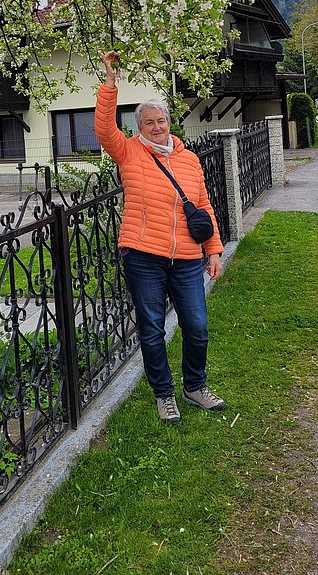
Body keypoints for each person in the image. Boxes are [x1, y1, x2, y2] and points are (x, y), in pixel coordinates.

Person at [94, 51, 226, 425]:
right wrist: (110, 83)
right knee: (152, 329)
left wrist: (213, 250)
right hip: (143, 255)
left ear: (170, 123)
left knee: (197, 326)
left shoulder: (189, 160)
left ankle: (194, 387)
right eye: (149, 122)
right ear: (140, 128)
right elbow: (104, 130)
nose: (156, 126)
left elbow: (203, 207)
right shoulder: (128, 152)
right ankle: (164, 394)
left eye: (161, 120)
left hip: (186, 257)